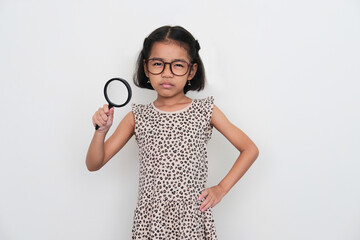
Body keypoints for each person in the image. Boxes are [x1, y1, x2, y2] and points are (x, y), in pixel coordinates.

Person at [86, 25, 259, 239]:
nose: (167, 73)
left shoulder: (205, 111)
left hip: (191, 221)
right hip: (150, 222)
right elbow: (94, 163)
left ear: (191, 71)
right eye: (158, 64)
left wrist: (221, 188)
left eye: (177, 65)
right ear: (146, 68)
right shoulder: (137, 117)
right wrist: (100, 132)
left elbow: (249, 149)